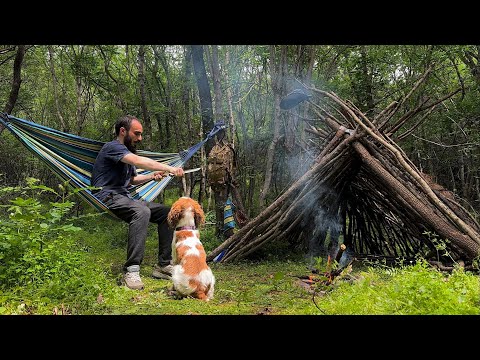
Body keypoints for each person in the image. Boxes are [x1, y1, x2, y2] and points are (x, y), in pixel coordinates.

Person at [91, 115, 184, 290]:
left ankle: (163, 266)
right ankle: (131, 270)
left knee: (167, 212)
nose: (140, 138)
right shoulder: (112, 147)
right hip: (106, 195)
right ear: (123, 131)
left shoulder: (127, 151)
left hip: (124, 197)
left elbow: (132, 179)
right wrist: (169, 168)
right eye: (137, 134)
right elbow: (140, 161)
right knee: (142, 211)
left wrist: (151, 176)